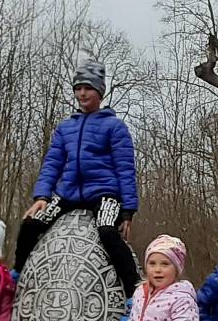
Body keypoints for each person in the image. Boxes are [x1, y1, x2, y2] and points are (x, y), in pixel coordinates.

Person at [13, 58, 140, 307]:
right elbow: (53, 163)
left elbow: (125, 169)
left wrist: (128, 211)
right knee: (30, 224)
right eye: (78, 88)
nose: (82, 93)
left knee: (107, 231)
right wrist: (42, 196)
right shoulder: (65, 128)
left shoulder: (114, 127)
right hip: (68, 192)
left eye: (88, 88)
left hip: (104, 192)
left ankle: (132, 291)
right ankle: (17, 275)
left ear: (99, 92)